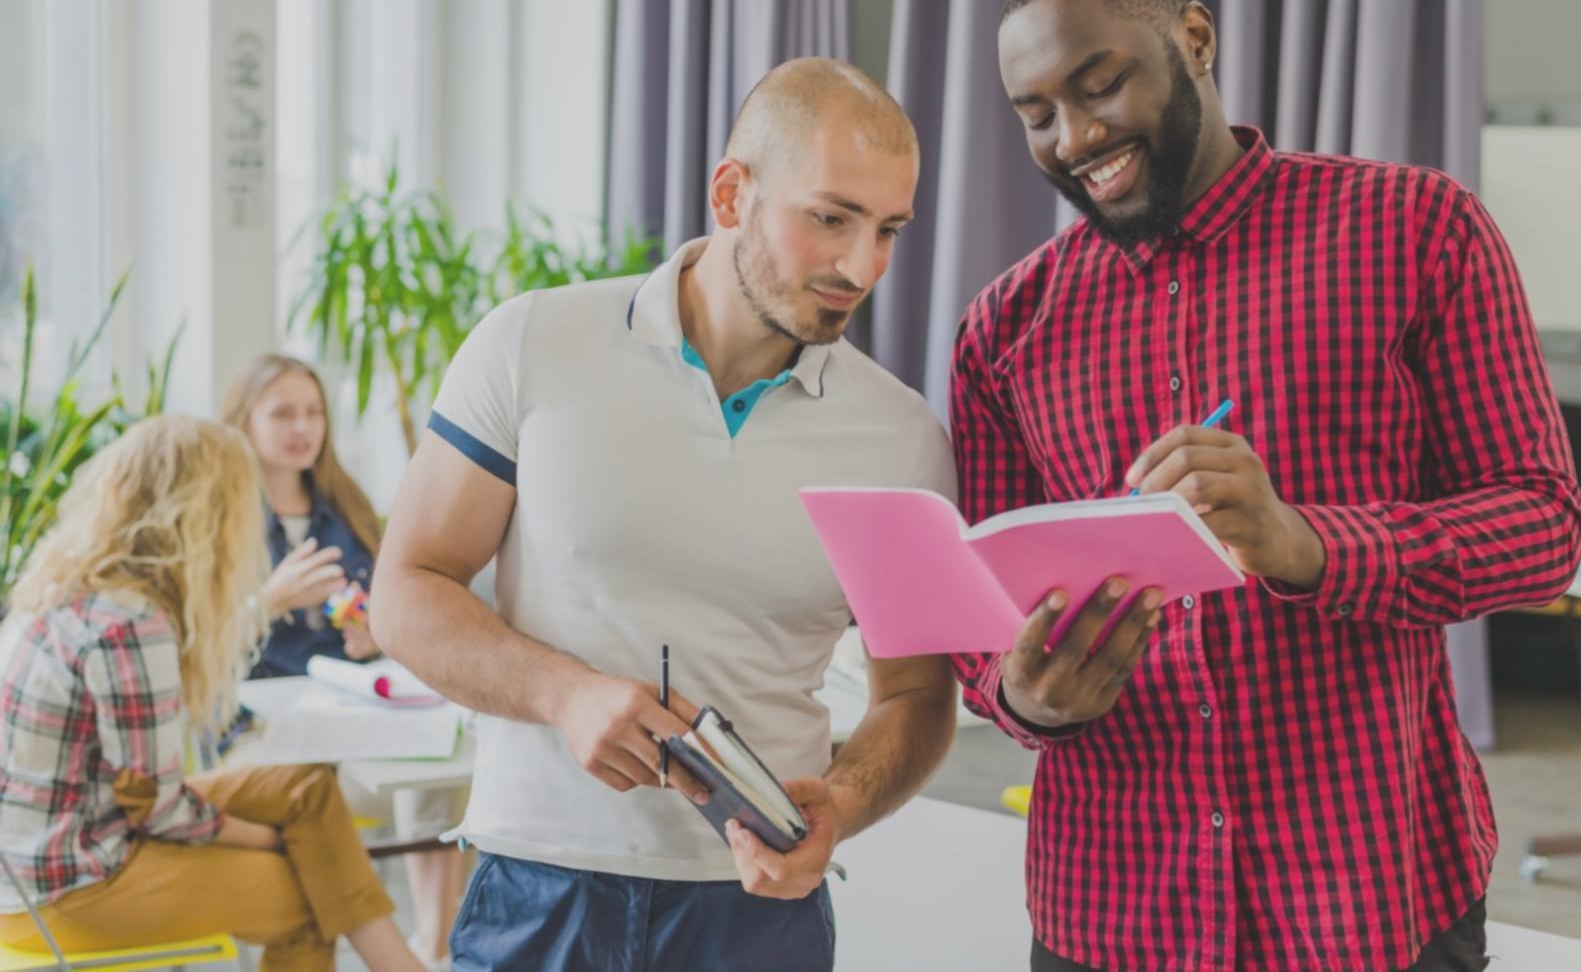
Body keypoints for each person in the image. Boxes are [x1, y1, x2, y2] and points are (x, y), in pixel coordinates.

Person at [947, 0, 1581, 972]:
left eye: (1099, 84)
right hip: (1111, 911)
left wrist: (1307, 543)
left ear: (1194, 37)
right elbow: (977, 615)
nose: (1073, 136)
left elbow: (1542, 522)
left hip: (1370, 897)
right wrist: (1021, 696)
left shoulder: (1417, 229)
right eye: (1036, 116)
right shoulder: (1003, 329)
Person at [369, 57, 958, 972]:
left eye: (888, 230)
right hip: (538, 886)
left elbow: (917, 697)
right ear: (732, 194)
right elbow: (404, 590)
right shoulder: (531, 343)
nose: (863, 265)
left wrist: (840, 799)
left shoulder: (904, 437)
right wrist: (562, 693)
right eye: (831, 218)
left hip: (755, 916)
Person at [0, 415, 425, 972]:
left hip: (53, 845)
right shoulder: (129, 624)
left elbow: (143, 792)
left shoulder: (73, 585)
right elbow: (161, 809)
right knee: (308, 899)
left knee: (305, 787)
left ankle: (401, 966)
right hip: (68, 885)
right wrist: (267, 840)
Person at [222, 354, 469, 971]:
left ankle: (432, 949)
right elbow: (193, 647)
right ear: (243, 422)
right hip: (263, 730)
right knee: (307, 796)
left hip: (354, 720)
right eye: (282, 413)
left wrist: (375, 632)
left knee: (439, 768)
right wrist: (267, 603)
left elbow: (394, 611)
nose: (302, 427)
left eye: (313, 412)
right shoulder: (220, 520)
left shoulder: (348, 505)